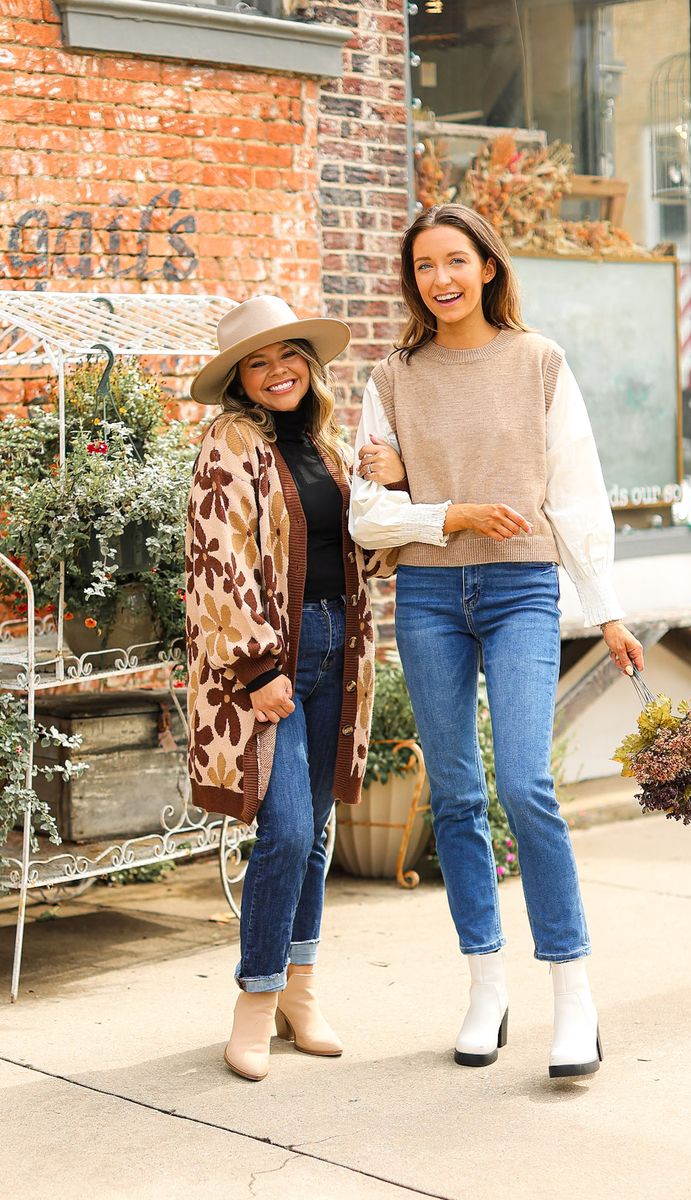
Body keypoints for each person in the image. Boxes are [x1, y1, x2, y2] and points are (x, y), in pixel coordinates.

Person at [349, 204, 644, 1079]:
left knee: (523, 782)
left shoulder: (539, 362)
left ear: (486, 266)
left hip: (520, 586)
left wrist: (609, 610)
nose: (439, 279)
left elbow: (577, 497)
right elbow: (369, 519)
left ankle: (572, 992)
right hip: (431, 593)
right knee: (456, 798)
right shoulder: (394, 377)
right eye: (424, 267)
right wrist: (449, 513)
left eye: (455, 261)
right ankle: (485, 984)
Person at [186, 295, 390, 1082]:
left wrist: (392, 490)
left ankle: (300, 990)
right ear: (240, 378)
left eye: (289, 357)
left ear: (310, 364)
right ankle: (255, 997)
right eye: (259, 362)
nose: (278, 373)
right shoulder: (228, 443)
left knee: (321, 830)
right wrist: (257, 667)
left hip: (341, 648)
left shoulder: (332, 449)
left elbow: (366, 552)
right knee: (288, 830)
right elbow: (215, 563)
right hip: (273, 662)